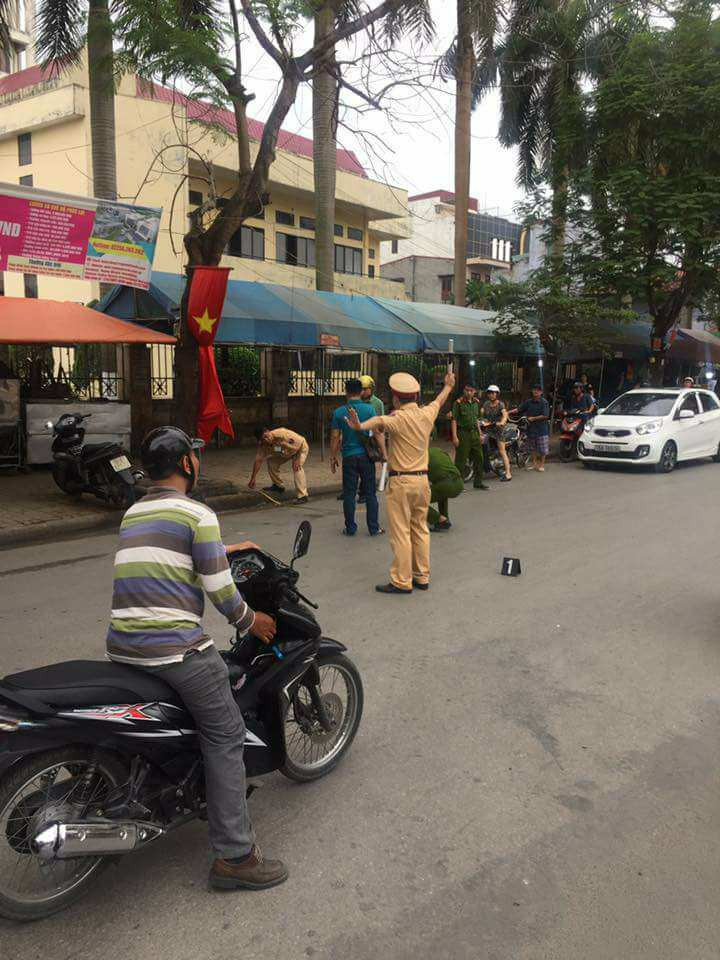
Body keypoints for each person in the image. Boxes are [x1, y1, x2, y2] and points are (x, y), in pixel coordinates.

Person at [106, 427, 287, 891]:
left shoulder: (133, 513)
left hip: (122, 646)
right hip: (173, 650)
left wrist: (224, 550)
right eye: (195, 456)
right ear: (187, 464)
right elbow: (222, 592)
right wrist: (253, 622)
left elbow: (166, 559)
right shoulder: (197, 513)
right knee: (226, 733)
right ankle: (235, 856)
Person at [346, 369, 456, 594]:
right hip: (422, 481)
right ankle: (422, 576)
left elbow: (378, 420)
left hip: (401, 482)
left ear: (396, 398)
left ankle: (401, 581)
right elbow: (439, 400)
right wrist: (448, 385)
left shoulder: (398, 418)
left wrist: (359, 426)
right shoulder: (426, 414)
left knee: (401, 533)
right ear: (415, 396)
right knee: (420, 529)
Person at [330, 378, 384, 537]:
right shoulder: (369, 410)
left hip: (348, 457)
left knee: (349, 494)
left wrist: (333, 457)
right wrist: (383, 454)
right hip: (367, 456)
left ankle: (350, 528)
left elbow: (335, 437)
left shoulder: (338, 412)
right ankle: (373, 528)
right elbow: (378, 433)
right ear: (361, 392)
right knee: (370, 493)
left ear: (346, 392)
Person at [249, 426, 309, 503]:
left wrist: (297, 459)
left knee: (296, 467)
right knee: (271, 462)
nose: (267, 439)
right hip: (285, 451)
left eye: (266, 436)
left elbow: (299, 444)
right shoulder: (264, 445)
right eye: (263, 439)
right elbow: (258, 460)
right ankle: (278, 486)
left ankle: (303, 496)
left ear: (268, 431)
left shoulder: (282, 434)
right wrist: (253, 478)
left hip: (300, 448)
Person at [450, 383, 489, 491]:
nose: (469, 392)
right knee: (461, 460)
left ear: (474, 392)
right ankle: (458, 485)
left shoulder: (476, 403)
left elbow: (476, 420)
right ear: (464, 391)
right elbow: (454, 420)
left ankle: (478, 482)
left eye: (471, 391)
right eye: (467, 390)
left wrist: (480, 433)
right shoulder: (458, 403)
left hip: (474, 433)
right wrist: (454, 436)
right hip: (463, 433)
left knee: (479, 458)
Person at [511, 383, 550, 472]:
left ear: (541, 392)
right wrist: (508, 412)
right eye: (534, 390)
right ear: (532, 391)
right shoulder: (528, 402)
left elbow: (545, 415)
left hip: (541, 429)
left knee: (543, 449)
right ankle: (534, 464)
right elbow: (519, 409)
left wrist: (533, 418)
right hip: (531, 428)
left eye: (538, 390)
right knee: (532, 448)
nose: (536, 391)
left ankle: (542, 465)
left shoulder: (544, 402)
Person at [427, 445, 464, 531]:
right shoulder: (438, 450)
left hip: (446, 485)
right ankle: (445, 519)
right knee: (441, 493)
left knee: (417, 502)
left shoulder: (422, 458)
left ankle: (439, 519)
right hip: (459, 483)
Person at [480, 385, 512, 482]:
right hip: (488, 429)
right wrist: (479, 419)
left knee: (502, 451)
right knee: (481, 444)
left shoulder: (500, 404)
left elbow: (504, 414)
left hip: (498, 430)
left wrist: (502, 421)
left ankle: (508, 473)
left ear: (497, 394)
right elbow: (481, 413)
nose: (491, 395)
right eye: (490, 393)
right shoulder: (486, 404)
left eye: (493, 393)